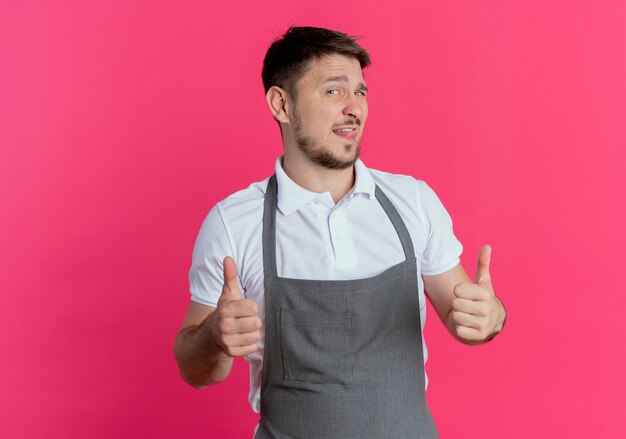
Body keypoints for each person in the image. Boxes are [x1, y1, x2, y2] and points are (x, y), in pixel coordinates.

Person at [174, 26, 507, 438]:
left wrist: (490, 317)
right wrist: (215, 337)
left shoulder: (413, 202)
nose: (354, 108)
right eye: (334, 91)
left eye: (361, 93)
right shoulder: (233, 223)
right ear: (282, 104)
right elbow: (194, 370)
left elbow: (466, 320)